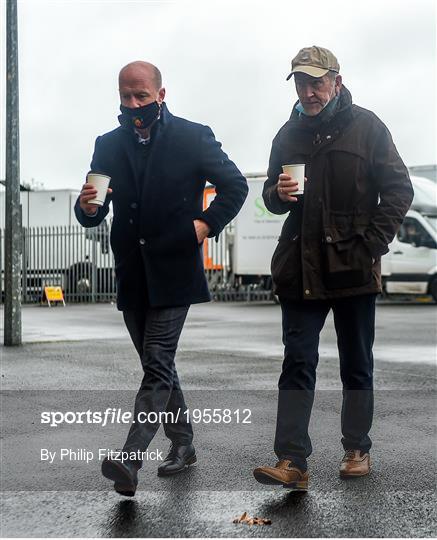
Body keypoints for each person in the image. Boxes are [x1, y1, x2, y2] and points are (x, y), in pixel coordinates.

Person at [75, 61, 248, 496]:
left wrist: (204, 225)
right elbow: (92, 211)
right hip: (132, 272)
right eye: (125, 97)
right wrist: (88, 208)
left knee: (156, 361)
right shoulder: (108, 144)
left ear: (161, 95)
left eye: (142, 97)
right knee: (160, 365)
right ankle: (184, 443)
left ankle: (130, 461)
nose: (133, 106)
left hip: (175, 268)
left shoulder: (193, 137)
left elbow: (235, 186)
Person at [253, 46, 413, 491]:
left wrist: (371, 245)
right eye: (301, 83)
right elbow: (269, 193)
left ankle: (357, 448)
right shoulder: (286, 135)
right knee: (297, 361)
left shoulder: (368, 127)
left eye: (316, 82)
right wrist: (276, 195)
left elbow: (398, 189)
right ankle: (292, 461)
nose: (308, 91)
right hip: (301, 266)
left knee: (356, 364)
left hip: (353, 265)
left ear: (336, 82)